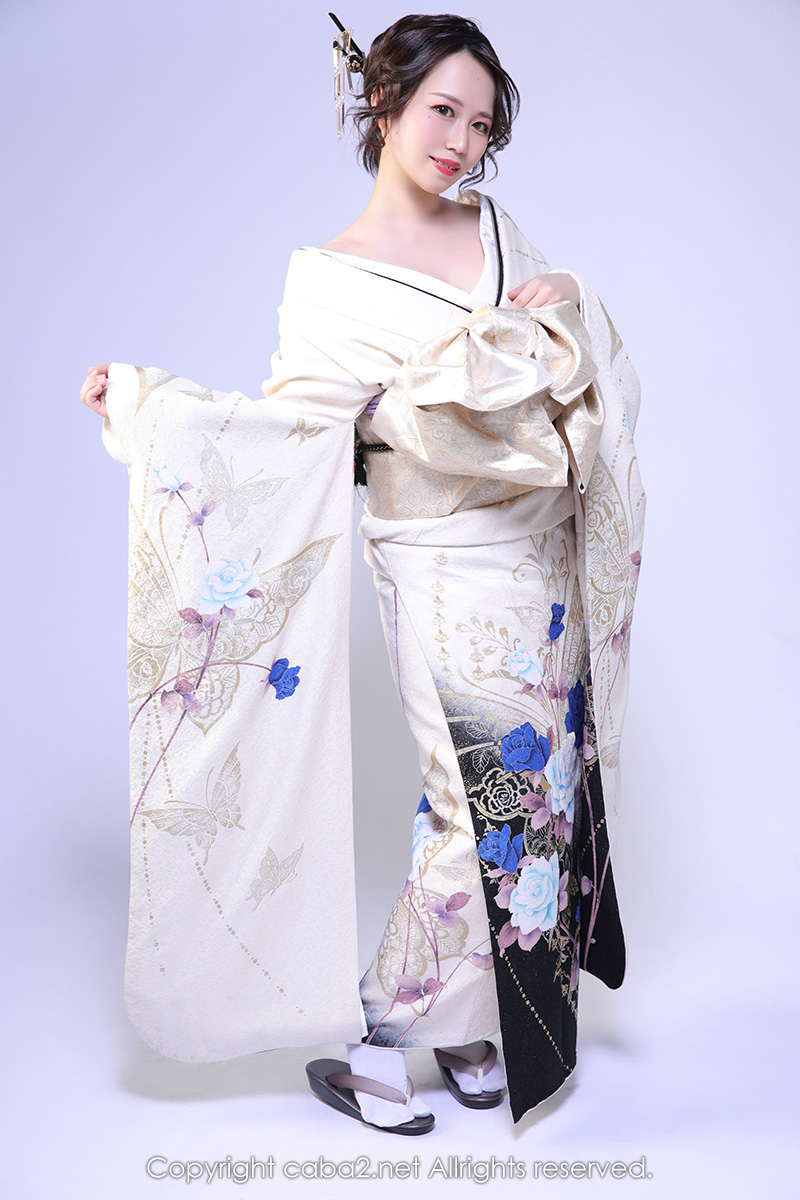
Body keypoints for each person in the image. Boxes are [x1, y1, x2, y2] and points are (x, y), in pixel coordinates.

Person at [80, 13, 644, 1134]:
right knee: (486, 797)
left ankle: (466, 1023)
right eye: (442, 110)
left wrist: (567, 296)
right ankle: (384, 1034)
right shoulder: (329, 281)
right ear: (382, 102)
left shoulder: (494, 228)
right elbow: (289, 436)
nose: (459, 141)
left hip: (538, 549)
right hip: (437, 559)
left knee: (533, 791)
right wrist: (149, 408)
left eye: (480, 124)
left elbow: (572, 361)